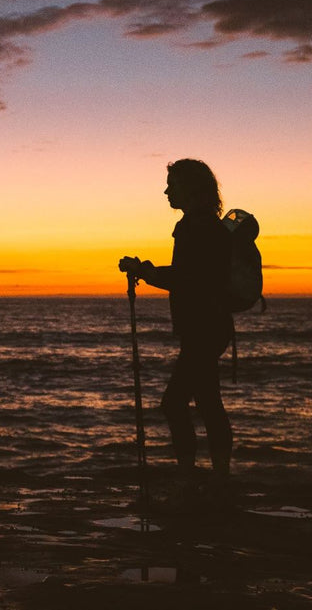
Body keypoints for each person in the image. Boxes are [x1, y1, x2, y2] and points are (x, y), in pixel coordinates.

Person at [119, 158, 234, 493]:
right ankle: (217, 477)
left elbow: (189, 279)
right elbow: (191, 275)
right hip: (209, 326)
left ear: (191, 187)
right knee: (209, 401)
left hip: (203, 328)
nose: (167, 190)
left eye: (173, 184)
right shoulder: (204, 224)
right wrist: (150, 271)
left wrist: (149, 273)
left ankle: (191, 477)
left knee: (175, 403)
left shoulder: (195, 227)